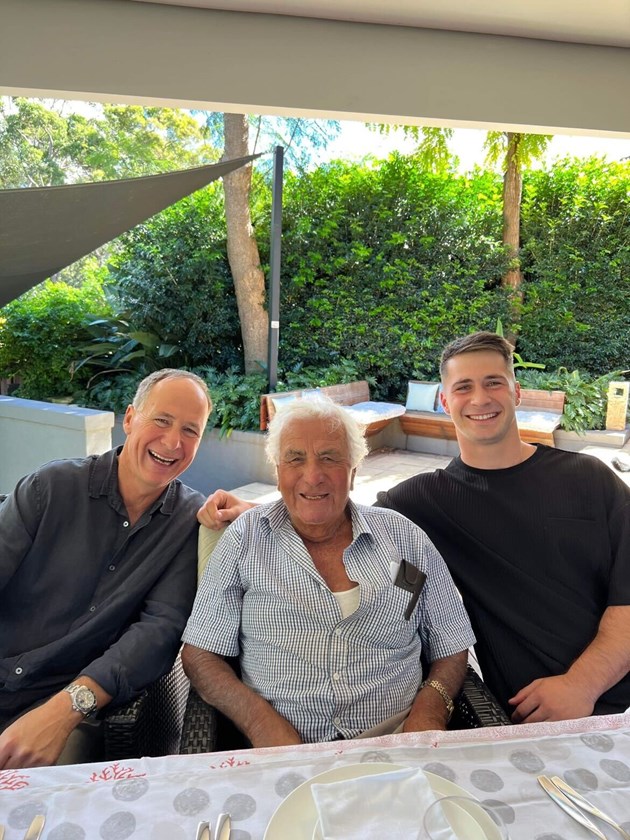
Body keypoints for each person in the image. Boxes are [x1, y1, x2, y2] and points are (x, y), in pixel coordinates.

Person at [198, 332, 630, 724]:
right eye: (463, 386)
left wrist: (582, 686)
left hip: (613, 699)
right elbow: (333, 512)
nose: (480, 398)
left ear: (516, 391)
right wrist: (259, 510)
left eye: (493, 382)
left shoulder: (589, 480)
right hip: (518, 714)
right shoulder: (424, 501)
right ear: (445, 400)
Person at [182, 398, 474, 747]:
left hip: (396, 742)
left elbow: (452, 643)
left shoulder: (405, 539)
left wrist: (430, 712)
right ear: (278, 472)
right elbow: (200, 654)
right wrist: (260, 724)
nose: (312, 476)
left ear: (353, 470)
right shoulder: (246, 538)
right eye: (295, 459)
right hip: (282, 746)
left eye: (329, 458)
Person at [0, 368, 212, 769]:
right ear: (129, 419)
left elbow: (159, 631)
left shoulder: (188, 522)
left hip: (66, 706)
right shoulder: (50, 488)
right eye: (162, 420)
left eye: (190, 430)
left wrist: (65, 708)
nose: (173, 442)